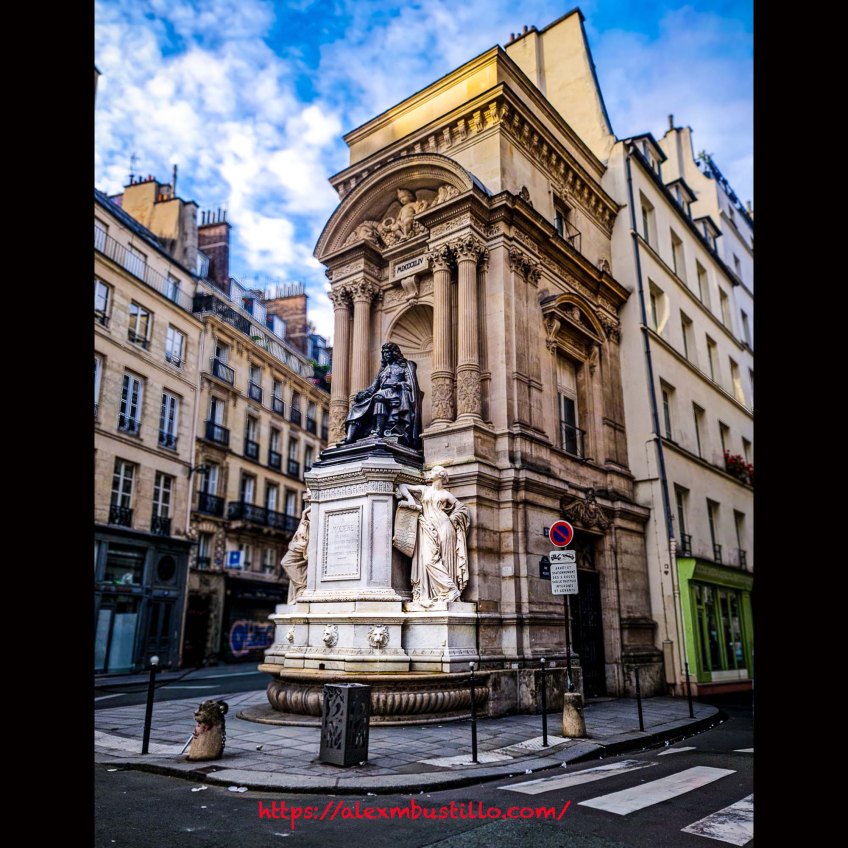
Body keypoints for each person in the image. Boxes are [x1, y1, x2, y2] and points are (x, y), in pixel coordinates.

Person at [396, 466, 470, 609]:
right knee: (428, 560)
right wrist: (410, 498)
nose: (429, 473)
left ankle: (447, 594)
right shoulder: (424, 489)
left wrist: (453, 518)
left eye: (433, 471)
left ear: (440, 475)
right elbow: (402, 486)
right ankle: (449, 588)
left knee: (444, 560)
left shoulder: (446, 494)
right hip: (427, 527)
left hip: (444, 527)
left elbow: (462, 508)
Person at [343, 342, 421, 447]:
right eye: (384, 353)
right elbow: (373, 388)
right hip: (382, 394)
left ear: (394, 353)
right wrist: (363, 394)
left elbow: (410, 384)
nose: (385, 355)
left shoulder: (406, 366)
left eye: (388, 352)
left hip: (397, 394)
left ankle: (378, 431)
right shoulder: (383, 370)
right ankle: (350, 438)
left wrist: (397, 384)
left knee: (379, 397)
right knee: (356, 407)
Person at [280, 494, 310, 603]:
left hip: (305, 545)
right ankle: (301, 586)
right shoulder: (306, 520)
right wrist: (303, 516)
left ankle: (302, 587)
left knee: (286, 561)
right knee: (285, 562)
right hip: (300, 542)